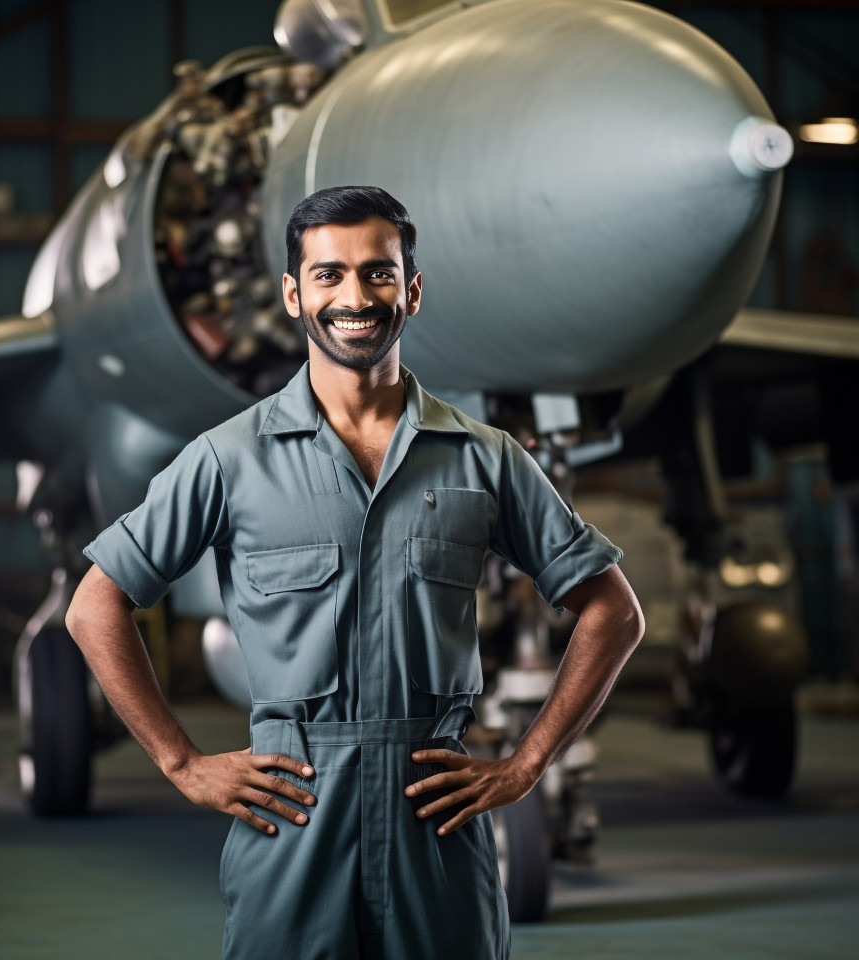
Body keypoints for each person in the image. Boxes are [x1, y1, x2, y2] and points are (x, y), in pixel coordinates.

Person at [66, 185, 644, 960]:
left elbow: (614, 611)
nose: (355, 297)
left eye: (378, 273)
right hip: (292, 816)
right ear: (293, 295)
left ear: (412, 290)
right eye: (329, 274)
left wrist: (529, 763)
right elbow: (95, 605)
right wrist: (182, 763)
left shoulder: (485, 459)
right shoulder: (227, 460)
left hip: (435, 821)